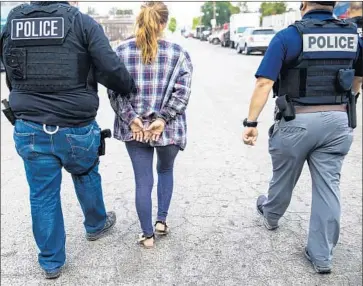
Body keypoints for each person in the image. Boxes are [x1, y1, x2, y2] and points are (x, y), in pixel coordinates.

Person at [0, 1, 135, 279]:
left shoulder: (13, 22)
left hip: (30, 125)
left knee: (42, 194)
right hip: (76, 126)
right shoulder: (82, 22)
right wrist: (127, 86)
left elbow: (9, 69)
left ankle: (51, 263)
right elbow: (110, 68)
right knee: (85, 172)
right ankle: (96, 224)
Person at [242, 1, 362, 274]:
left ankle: (271, 216)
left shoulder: (289, 36)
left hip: (297, 120)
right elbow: (357, 79)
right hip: (337, 122)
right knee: (328, 186)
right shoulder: (352, 35)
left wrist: (251, 122)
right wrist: (348, 103)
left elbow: (264, 82)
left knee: (284, 175)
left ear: (304, 4)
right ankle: (322, 257)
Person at [108, 2, 193, 248]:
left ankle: (147, 235)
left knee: (142, 181)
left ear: (139, 20)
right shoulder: (178, 53)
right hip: (167, 128)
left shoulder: (120, 51)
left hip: (134, 129)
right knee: (165, 171)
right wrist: (162, 119)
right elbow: (182, 94)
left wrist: (132, 118)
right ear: (164, 23)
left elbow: (114, 91)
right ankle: (161, 222)